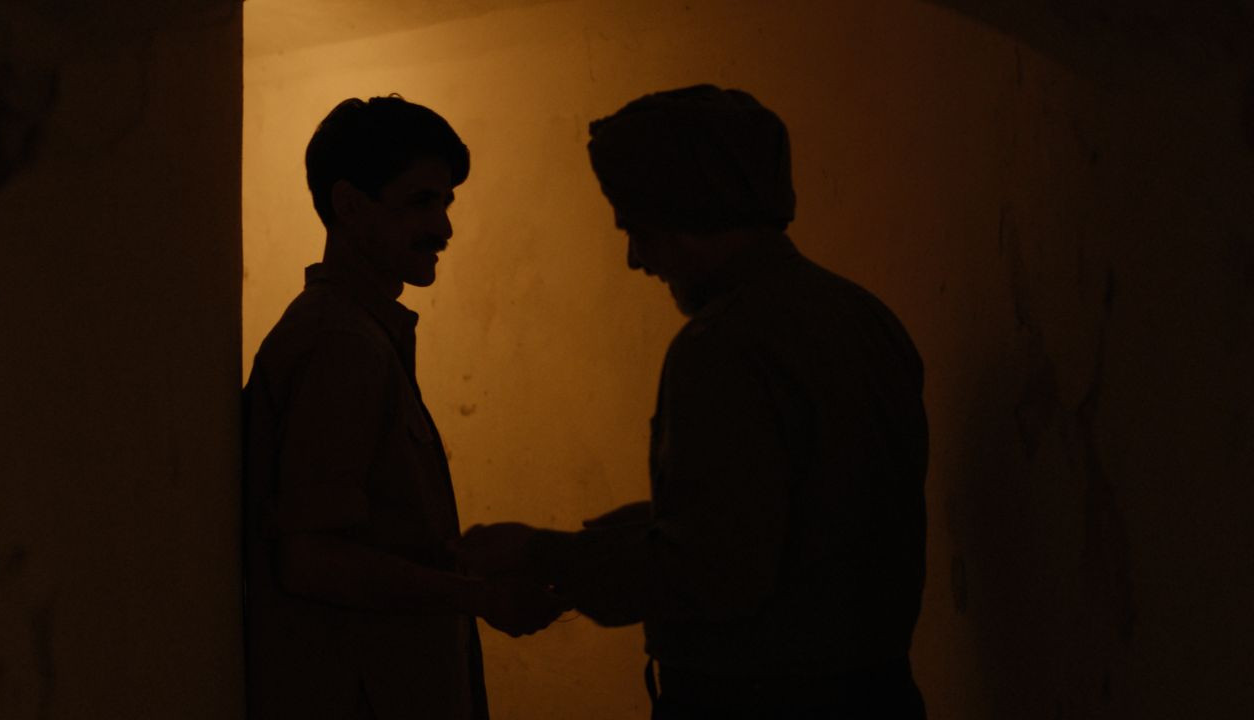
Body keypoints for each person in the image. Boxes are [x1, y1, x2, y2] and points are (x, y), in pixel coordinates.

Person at [458, 85, 929, 719]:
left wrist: (537, 554)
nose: (635, 260)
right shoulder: (865, 317)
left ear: (683, 215)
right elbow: (811, 515)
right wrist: (653, 527)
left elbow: (711, 574)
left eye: (638, 231)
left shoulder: (723, 346)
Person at [243, 95, 567, 720]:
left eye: (446, 203)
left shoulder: (361, 335)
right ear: (348, 205)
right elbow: (310, 561)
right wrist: (478, 596)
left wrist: (462, 565)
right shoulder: (341, 342)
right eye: (421, 202)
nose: (444, 229)